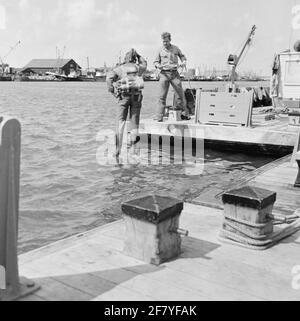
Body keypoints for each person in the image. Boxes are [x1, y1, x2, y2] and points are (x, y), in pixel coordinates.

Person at [107, 49, 147, 158]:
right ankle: (133, 151)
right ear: (134, 58)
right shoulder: (138, 68)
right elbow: (144, 63)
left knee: (120, 123)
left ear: (125, 59)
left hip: (123, 97)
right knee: (134, 123)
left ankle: (117, 150)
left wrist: (112, 91)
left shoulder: (119, 69)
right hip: (136, 98)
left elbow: (109, 78)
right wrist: (139, 55)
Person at [154, 32, 191, 122]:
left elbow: (182, 56)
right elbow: (155, 62)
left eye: (166, 41)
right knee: (161, 96)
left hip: (174, 74)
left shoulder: (175, 48)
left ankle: (183, 114)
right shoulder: (159, 50)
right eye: (163, 42)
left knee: (180, 94)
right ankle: (159, 116)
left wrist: (184, 62)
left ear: (170, 40)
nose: (165, 43)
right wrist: (158, 66)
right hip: (164, 74)